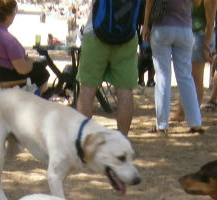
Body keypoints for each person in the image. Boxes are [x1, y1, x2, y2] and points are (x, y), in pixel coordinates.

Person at [76, 0, 142, 136]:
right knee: (125, 91)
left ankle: (82, 140)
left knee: (87, 89)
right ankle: (122, 140)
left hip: (96, 33)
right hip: (127, 35)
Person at [141, 0, 204, 134]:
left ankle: (162, 124)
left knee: (163, 76)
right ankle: (195, 122)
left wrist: (146, 25)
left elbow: (149, 2)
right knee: (186, 76)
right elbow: (198, 3)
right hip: (185, 28)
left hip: (162, 27)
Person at [0, 0, 50, 90]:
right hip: (3, 76)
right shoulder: (7, 39)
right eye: (15, 12)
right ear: (9, 16)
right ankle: (40, 99)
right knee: (42, 72)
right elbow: (23, 69)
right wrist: (31, 61)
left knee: (39, 66)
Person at [171, 0, 215, 122]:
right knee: (187, 76)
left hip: (200, 37)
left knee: (196, 77)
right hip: (188, 34)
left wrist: (206, 45)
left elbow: (210, 22)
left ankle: (192, 112)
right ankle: (182, 112)